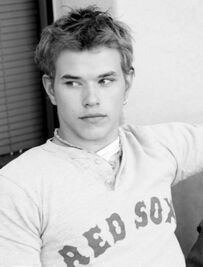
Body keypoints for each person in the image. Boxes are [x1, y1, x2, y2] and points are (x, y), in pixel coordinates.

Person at [0, 5, 203, 267]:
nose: (91, 100)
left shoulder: (157, 145)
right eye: (73, 83)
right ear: (51, 89)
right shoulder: (17, 187)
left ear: (127, 83)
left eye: (105, 81)